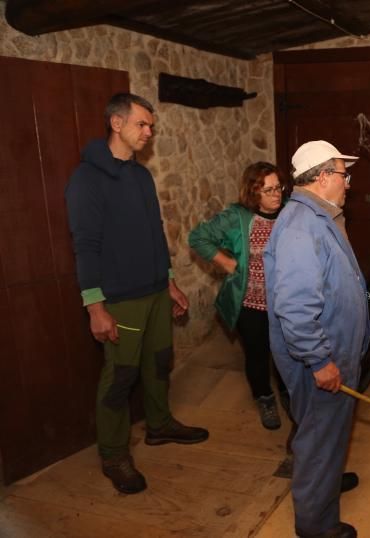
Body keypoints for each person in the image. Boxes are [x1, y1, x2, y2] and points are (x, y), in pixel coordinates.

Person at [65, 93, 209, 495]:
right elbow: (85, 245)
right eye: (142, 124)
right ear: (116, 124)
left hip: (154, 291)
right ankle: (113, 454)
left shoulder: (141, 175)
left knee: (160, 361)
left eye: (150, 126)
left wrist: (169, 281)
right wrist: (95, 306)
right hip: (120, 298)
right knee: (121, 376)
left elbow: (154, 235)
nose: (149, 132)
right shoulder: (86, 179)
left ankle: (160, 426)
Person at [264, 140, 370, 538]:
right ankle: (315, 525)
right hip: (320, 358)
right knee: (317, 437)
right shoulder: (300, 226)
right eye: (344, 175)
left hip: (333, 351)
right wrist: (320, 360)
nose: (348, 183)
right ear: (323, 177)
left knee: (328, 431)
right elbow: (294, 307)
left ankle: (325, 482)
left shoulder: (319, 217)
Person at [189, 162, 290, 430]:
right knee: (257, 355)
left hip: (286, 304)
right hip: (251, 304)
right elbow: (198, 237)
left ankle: (289, 396)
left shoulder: (291, 213)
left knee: (288, 354)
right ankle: (264, 398)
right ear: (253, 192)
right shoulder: (238, 216)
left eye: (278, 188)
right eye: (267, 190)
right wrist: (227, 263)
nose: (276, 195)